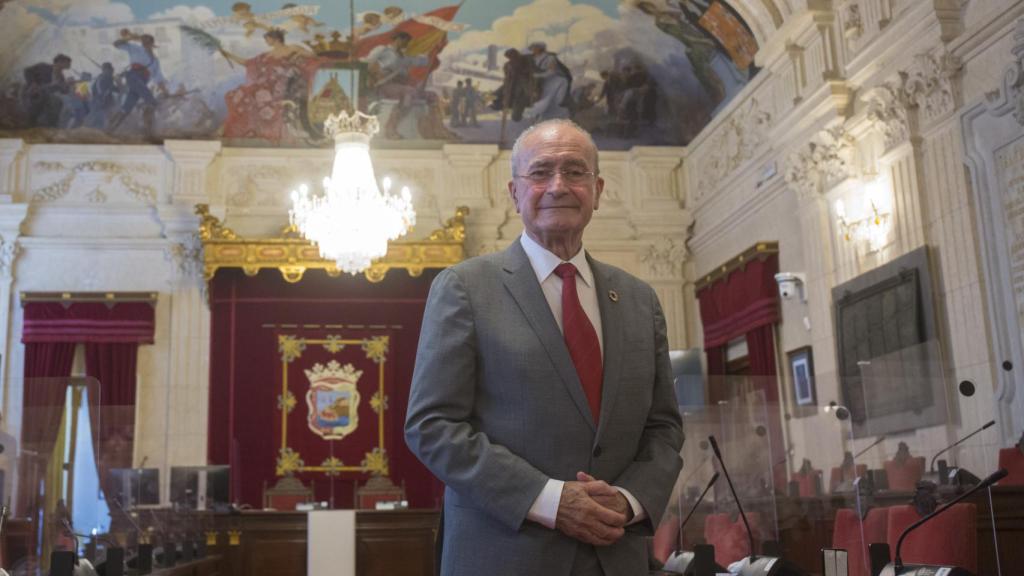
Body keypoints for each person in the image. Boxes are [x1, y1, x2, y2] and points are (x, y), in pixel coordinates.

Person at [405, 119, 684, 576]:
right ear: (514, 193)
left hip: (617, 557)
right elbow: (432, 425)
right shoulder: (465, 288)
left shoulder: (639, 299)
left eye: (574, 172)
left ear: (596, 189)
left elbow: (664, 427)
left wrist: (628, 500)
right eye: (540, 173)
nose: (558, 186)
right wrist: (549, 500)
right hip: (505, 555)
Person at [221, 28, 317, 142]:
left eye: (267, 39)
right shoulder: (267, 55)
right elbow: (246, 62)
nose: (266, 42)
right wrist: (228, 55)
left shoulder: (292, 48)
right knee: (243, 93)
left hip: (285, 82)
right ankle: (252, 127)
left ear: (275, 39)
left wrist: (299, 54)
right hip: (267, 84)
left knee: (258, 93)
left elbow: (312, 55)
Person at [365, 31, 429, 139]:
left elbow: (422, 61)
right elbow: (368, 64)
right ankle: (390, 127)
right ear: (398, 39)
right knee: (410, 92)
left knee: (427, 94)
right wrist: (374, 76)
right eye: (405, 41)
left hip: (400, 86)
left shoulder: (404, 57)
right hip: (385, 85)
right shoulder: (384, 50)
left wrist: (434, 49)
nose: (407, 44)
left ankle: (432, 130)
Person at [107, 31, 168, 134]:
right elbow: (116, 44)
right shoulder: (135, 48)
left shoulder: (155, 60)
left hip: (142, 82)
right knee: (151, 101)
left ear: (152, 44)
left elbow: (159, 78)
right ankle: (148, 130)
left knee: (126, 109)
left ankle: (110, 129)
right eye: (144, 42)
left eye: (148, 42)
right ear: (142, 42)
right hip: (133, 76)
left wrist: (165, 91)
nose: (146, 44)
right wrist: (128, 38)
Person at [524, 41, 573, 121]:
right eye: (532, 48)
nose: (533, 50)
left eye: (534, 48)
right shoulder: (532, 58)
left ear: (540, 48)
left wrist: (537, 76)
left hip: (556, 81)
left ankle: (540, 115)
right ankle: (538, 115)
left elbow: (551, 71)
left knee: (549, 99)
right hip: (540, 81)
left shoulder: (550, 58)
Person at [21, 54, 73, 128]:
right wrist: (33, 83)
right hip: (32, 94)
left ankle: (51, 126)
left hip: (46, 96)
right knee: (35, 109)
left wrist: (68, 85)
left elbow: (64, 91)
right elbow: (27, 71)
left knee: (58, 103)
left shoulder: (61, 76)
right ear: (60, 62)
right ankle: (31, 125)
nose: (69, 65)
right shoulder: (44, 67)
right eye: (67, 62)